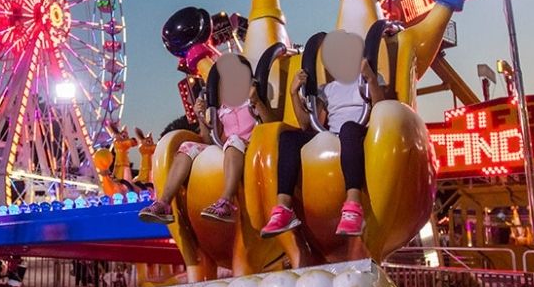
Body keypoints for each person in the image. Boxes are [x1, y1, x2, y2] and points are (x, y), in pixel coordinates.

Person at [261, 31, 384, 238]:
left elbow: (381, 107)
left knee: (348, 128)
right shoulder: (327, 90)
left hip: (360, 131)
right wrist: (294, 94)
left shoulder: (365, 80)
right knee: (289, 138)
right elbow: (306, 124)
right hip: (333, 134)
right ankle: (284, 208)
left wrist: (371, 79)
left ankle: (353, 205)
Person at [140, 56, 277, 224]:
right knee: (186, 146)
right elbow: (207, 139)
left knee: (234, 140)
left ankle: (227, 201)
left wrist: (257, 102)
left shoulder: (253, 99)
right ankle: (164, 203)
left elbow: (271, 125)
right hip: (227, 147)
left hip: (252, 146)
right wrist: (201, 117)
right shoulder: (221, 108)